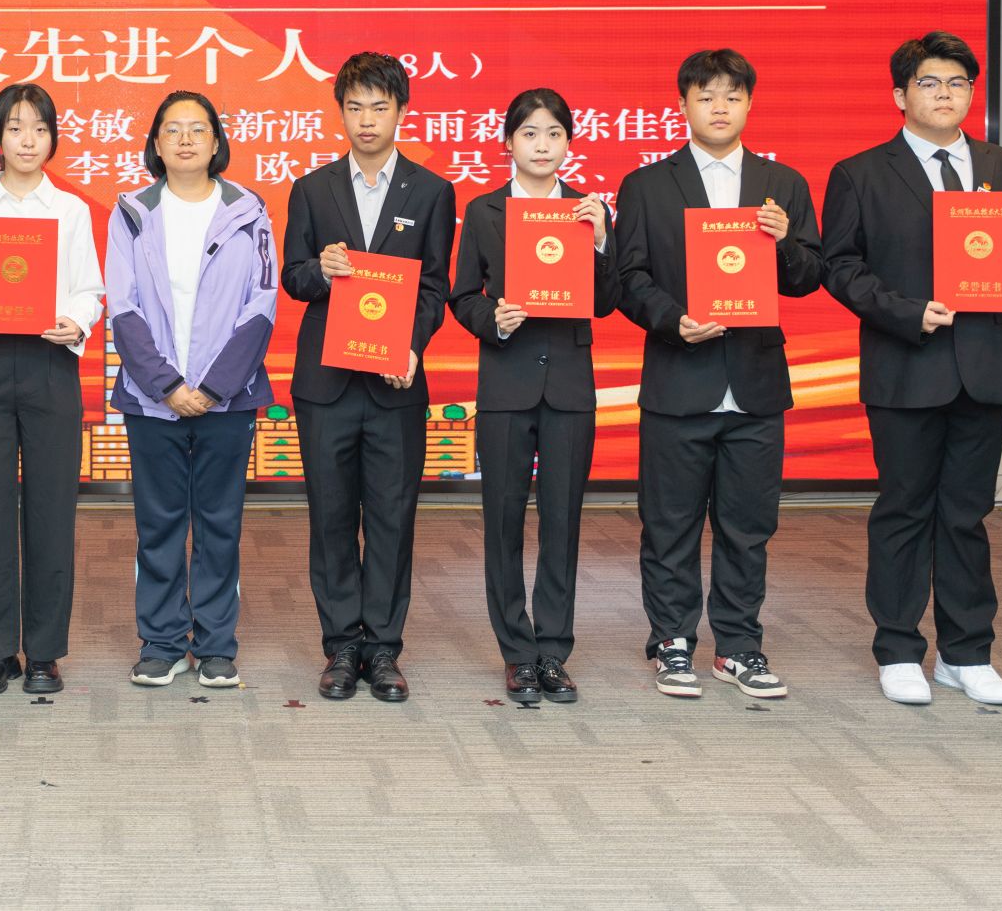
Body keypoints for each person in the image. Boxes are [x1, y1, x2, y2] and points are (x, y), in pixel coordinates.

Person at [822, 31, 1002, 707]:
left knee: (966, 513)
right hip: (906, 363)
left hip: (984, 366)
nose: (945, 94)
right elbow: (840, 267)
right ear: (900, 95)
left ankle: (966, 653)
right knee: (904, 509)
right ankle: (899, 648)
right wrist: (906, 312)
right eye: (929, 83)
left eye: (958, 83)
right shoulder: (861, 172)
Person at [614, 49, 823, 701]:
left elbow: (808, 277)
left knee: (748, 526)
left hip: (756, 384)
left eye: (732, 95)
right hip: (679, 378)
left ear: (750, 103)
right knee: (670, 523)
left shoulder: (782, 183)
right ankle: (672, 640)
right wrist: (672, 320)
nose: (720, 107)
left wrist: (786, 241)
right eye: (706, 96)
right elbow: (628, 277)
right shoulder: (647, 185)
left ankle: (738, 645)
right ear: (683, 104)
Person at [280, 53, 456, 703]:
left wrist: (412, 346)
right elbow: (292, 277)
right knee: (330, 517)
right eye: (354, 107)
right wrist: (320, 270)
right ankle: (341, 646)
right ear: (340, 112)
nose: (366, 120)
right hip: (325, 382)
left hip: (393, 384)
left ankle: (382, 647)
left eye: (379, 107)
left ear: (401, 111)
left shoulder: (432, 191)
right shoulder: (312, 188)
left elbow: (434, 286)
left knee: (391, 517)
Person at [448, 88, 618, 704]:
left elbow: (608, 301)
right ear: (508, 143)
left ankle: (552, 650)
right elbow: (461, 296)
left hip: (569, 384)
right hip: (506, 381)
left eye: (553, 134)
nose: (542, 145)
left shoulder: (588, 210)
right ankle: (516, 652)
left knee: (563, 520)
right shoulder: (485, 210)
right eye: (529, 134)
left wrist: (601, 242)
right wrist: (492, 317)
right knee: (502, 519)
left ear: (568, 142)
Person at [0, 83, 104, 696]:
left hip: (50, 362)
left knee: (52, 508)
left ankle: (44, 653)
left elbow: (90, 289)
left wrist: (76, 323)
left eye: (38, 128)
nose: (27, 140)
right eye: (15, 128)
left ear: (52, 138)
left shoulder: (71, 210)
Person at [105, 91, 277, 689]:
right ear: (155, 143)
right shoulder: (132, 212)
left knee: (219, 523)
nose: (185, 139)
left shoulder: (248, 211)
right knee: (158, 524)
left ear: (216, 142)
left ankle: (216, 644)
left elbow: (261, 304)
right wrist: (168, 385)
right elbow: (122, 306)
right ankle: (161, 642)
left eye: (197, 129)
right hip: (152, 398)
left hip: (228, 397)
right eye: (172, 129)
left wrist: (214, 385)